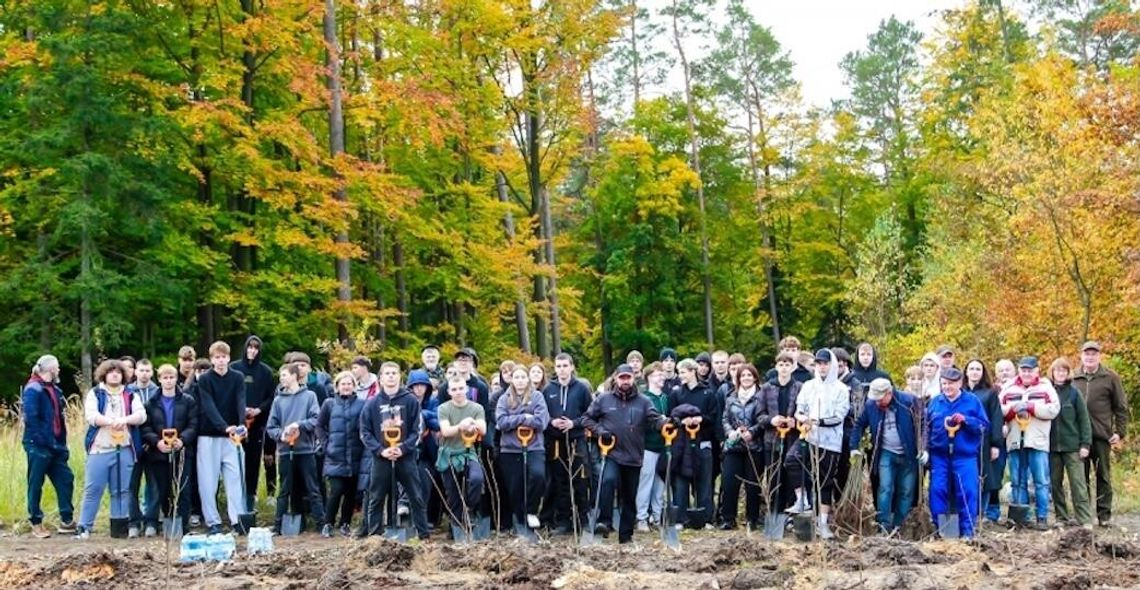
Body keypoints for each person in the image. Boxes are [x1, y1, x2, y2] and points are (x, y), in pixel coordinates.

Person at [581, 364, 668, 543]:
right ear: (616, 379)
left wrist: (666, 424)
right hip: (611, 452)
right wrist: (600, 431)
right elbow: (586, 418)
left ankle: (626, 536)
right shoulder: (604, 399)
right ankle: (604, 521)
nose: (625, 381)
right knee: (607, 481)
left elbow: (655, 420)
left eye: (628, 377)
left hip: (634, 455)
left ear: (633, 378)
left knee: (630, 495)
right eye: (622, 378)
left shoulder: (644, 401)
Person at [77, 359, 147, 538]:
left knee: (122, 490)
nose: (115, 375)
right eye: (111, 372)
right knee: (93, 489)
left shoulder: (131, 394)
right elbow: (91, 416)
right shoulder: (96, 393)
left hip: (124, 448)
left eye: (118, 372)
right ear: (104, 374)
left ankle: (119, 528)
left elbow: (141, 415)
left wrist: (124, 420)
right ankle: (84, 527)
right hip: (100, 448)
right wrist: (111, 422)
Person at [785, 349, 850, 540]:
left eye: (825, 363)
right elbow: (799, 410)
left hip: (830, 442)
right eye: (819, 363)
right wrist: (803, 418)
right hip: (809, 436)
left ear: (832, 365)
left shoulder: (841, 389)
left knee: (824, 482)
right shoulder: (808, 386)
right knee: (791, 460)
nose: (822, 367)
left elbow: (839, 416)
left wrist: (818, 421)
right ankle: (802, 499)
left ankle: (823, 523)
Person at [361, 362, 430, 539]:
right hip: (381, 458)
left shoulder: (411, 401)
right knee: (376, 497)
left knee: (415, 496)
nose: (391, 376)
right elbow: (365, 432)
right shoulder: (372, 403)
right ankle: (374, 536)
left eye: (394, 373)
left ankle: (423, 535)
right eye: (387, 373)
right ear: (381, 378)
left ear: (400, 377)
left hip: (405, 457)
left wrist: (403, 448)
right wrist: (380, 450)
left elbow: (418, 429)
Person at [925, 367, 989, 539]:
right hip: (940, 456)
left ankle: (967, 531)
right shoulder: (936, 402)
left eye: (951, 384)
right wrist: (926, 450)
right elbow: (926, 428)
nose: (947, 387)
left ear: (960, 383)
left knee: (967, 491)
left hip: (964, 456)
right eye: (944, 384)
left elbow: (984, 426)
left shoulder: (972, 401)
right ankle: (944, 531)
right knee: (938, 490)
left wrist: (966, 420)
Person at [1071, 341, 1129, 527]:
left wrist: (1120, 432)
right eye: (1087, 354)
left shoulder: (1110, 377)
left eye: (1093, 354)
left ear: (1099, 356)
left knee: (1103, 475)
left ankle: (1104, 516)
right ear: (1081, 356)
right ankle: (1084, 515)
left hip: (1101, 435)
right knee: (1080, 477)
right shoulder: (1073, 377)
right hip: (1078, 437)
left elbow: (1121, 407)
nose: (1090, 357)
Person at [850, 378, 919, 533]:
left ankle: (899, 525)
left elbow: (923, 424)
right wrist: (854, 447)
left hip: (908, 454)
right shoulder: (870, 405)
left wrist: (923, 449)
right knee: (885, 488)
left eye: (880, 399)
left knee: (906, 491)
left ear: (889, 393)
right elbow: (859, 424)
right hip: (886, 452)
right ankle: (883, 525)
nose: (877, 402)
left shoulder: (908, 401)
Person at [999, 356, 1060, 529]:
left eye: (1030, 370)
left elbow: (1054, 410)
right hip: (1015, 440)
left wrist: (1032, 407)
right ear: (1019, 371)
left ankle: (1042, 517)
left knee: (1041, 481)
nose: (1026, 373)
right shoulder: (1008, 388)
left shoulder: (1046, 387)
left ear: (1037, 371)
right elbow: (998, 409)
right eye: (1023, 370)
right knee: (1018, 481)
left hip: (1037, 441)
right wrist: (1012, 409)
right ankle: (1021, 518)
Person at [194, 341, 248, 535]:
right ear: (212, 359)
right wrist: (224, 427)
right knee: (208, 481)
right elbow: (208, 406)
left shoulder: (237, 377)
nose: (221, 361)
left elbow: (240, 400)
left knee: (235, 478)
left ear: (229, 358)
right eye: (217, 357)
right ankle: (213, 522)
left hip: (233, 437)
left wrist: (241, 424)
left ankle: (238, 520)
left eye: (224, 357)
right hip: (209, 435)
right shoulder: (205, 379)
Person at [266, 362, 325, 534]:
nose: (281, 378)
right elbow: (271, 427)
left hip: (306, 450)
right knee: (285, 490)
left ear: (294, 376)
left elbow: (316, 419)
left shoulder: (309, 396)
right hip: (285, 451)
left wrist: (298, 424)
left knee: (312, 488)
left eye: (284, 375)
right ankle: (278, 525)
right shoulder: (278, 400)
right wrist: (281, 435)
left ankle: (321, 524)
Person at [139, 364, 198, 536]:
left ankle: (184, 527)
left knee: (183, 489)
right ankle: (169, 523)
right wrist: (156, 442)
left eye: (172, 377)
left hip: (182, 453)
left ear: (176, 379)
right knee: (163, 490)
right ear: (159, 380)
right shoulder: (150, 403)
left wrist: (183, 440)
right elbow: (145, 428)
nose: (169, 381)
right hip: (159, 454)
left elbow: (193, 424)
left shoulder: (188, 401)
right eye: (165, 378)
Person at [22, 354, 76, 538]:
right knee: (36, 483)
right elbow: (31, 419)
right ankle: (35, 522)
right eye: (57, 367)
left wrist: (60, 443)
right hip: (39, 445)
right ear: (51, 369)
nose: (59, 370)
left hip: (56, 445)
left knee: (66, 478)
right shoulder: (33, 389)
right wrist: (41, 442)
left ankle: (66, 520)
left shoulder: (55, 389)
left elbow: (58, 418)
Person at [540, 353, 592, 535]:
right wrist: (551, 421)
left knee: (580, 480)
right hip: (555, 442)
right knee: (559, 481)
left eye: (565, 366)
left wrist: (573, 423)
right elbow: (542, 414)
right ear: (555, 368)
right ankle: (563, 520)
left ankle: (583, 519)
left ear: (571, 367)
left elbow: (590, 414)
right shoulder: (548, 389)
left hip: (576, 440)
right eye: (558, 366)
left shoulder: (582, 389)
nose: (562, 369)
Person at [495, 365, 549, 531]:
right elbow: (501, 422)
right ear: (511, 379)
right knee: (515, 487)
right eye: (516, 377)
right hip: (510, 449)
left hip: (534, 447)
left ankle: (531, 510)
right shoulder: (504, 399)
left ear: (528, 379)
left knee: (538, 476)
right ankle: (520, 519)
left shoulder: (537, 396)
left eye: (523, 377)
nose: (520, 381)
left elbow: (541, 422)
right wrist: (524, 417)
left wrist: (514, 419)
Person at [667, 358, 718, 528]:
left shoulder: (708, 393)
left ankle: (705, 518)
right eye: (679, 372)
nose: (680, 375)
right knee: (681, 482)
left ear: (692, 371)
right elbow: (671, 417)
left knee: (704, 481)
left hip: (703, 442)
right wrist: (682, 422)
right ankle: (681, 518)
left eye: (683, 372)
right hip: (681, 444)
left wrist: (700, 419)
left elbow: (713, 417)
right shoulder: (676, 394)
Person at [436, 376, 487, 537]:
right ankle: (456, 527)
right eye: (454, 389)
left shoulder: (477, 408)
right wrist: (461, 426)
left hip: (469, 452)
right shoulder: (443, 408)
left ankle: (469, 509)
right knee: (453, 494)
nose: (458, 392)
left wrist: (472, 422)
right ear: (449, 391)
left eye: (460, 388)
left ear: (466, 389)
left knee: (477, 479)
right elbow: (445, 431)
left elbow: (483, 430)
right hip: (449, 453)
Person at [317, 371, 365, 537]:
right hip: (335, 456)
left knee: (351, 493)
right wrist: (326, 444)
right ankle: (328, 523)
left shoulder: (362, 404)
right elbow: (319, 426)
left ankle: (345, 523)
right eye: (343, 384)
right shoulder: (329, 404)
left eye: (349, 384)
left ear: (354, 386)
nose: (346, 387)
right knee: (336, 491)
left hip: (355, 455)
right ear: (337, 387)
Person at [231, 335, 275, 515]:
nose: (252, 351)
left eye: (256, 348)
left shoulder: (266, 372)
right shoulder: (234, 368)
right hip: (236, 424)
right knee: (234, 462)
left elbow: (271, 397)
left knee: (253, 462)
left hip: (257, 424)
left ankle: (250, 498)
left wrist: (258, 410)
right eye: (250, 347)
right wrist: (241, 409)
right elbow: (230, 394)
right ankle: (235, 499)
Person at [719, 364, 765, 530]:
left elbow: (763, 419)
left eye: (749, 375)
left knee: (752, 485)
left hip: (754, 447)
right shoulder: (731, 397)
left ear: (755, 377)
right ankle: (728, 519)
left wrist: (752, 432)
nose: (746, 378)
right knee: (729, 483)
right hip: (734, 446)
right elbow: (725, 419)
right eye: (742, 375)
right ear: (738, 379)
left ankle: (752, 519)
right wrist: (731, 432)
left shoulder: (761, 396)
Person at [1048, 357, 1092, 528]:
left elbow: (1084, 420)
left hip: (1072, 446)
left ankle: (1084, 519)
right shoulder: (1046, 392)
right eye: (1057, 370)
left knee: (1078, 484)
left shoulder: (1074, 393)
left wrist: (1085, 444)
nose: (1060, 373)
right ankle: (1061, 517)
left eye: (1064, 370)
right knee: (1055, 484)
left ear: (1068, 373)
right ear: (1052, 372)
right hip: (1051, 447)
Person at [758, 352, 803, 514]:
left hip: (792, 440)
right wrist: (772, 420)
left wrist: (795, 422)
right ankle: (774, 512)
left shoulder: (799, 387)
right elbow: (759, 415)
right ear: (776, 367)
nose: (784, 368)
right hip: (772, 440)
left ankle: (790, 513)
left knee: (791, 477)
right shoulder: (767, 388)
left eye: (787, 365)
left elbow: (805, 412)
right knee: (774, 477)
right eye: (781, 365)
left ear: (792, 367)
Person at [962, 359, 1005, 526]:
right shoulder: (960, 392)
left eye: (978, 369)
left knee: (985, 478)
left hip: (984, 442)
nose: (974, 372)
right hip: (964, 442)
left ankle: (980, 514)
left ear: (983, 372)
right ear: (966, 372)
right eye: (971, 369)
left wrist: (996, 444)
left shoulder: (990, 393)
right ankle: (968, 514)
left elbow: (996, 419)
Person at [636, 362, 670, 531]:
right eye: (657, 375)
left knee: (660, 484)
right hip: (648, 446)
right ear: (649, 377)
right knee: (645, 483)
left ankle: (657, 517)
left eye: (662, 374)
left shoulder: (665, 397)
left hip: (664, 446)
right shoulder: (644, 398)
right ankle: (641, 518)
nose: (661, 377)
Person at [406, 369, 442, 528]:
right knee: (408, 487)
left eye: (422, 385)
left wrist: (422, 414)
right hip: (408, 450)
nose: (419, 388)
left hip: (427, 451)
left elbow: (438, 423)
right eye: (416, 385)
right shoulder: (405, 401)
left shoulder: (433, 401)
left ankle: (423, 520)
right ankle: (408, 520)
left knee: (426, 485)